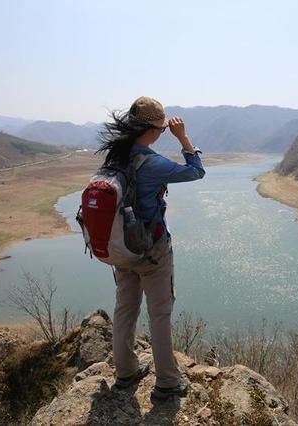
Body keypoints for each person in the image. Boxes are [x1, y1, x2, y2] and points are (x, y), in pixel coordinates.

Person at [96, 96, 205, 400]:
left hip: (122, 249)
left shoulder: (115, 158)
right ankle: (168, 382)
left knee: (125, 309)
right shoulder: (152, 163)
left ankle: (126, 373)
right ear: (156, 130)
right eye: (161, 128)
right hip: (152, 250)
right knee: (159, 313)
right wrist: (183, 137)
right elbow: (196, 170)